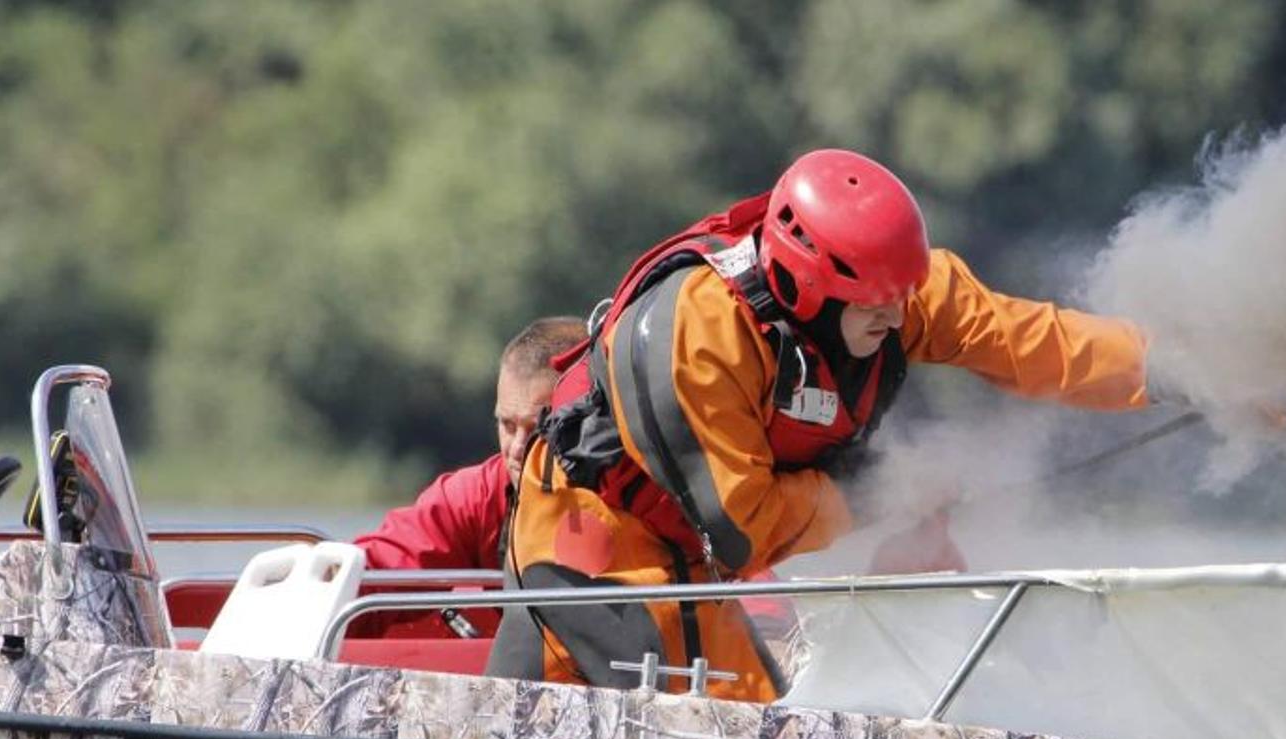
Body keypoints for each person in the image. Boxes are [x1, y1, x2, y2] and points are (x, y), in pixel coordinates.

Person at [490, 148, 1154, 701]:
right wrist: (877, 490)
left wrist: (1170, 372)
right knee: (698, 732)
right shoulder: (702, 335)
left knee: (759, 722)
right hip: (596, 531)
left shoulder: (891, 286)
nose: (899, 319)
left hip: (694, 554)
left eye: (903, 298)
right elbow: (743, 527)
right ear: (805, 284)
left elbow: (1026, 340)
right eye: (876, 306)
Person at [352, 315, 587, 571]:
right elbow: (383, 561)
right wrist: (323, 569)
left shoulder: (634, 487)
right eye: (507, 425)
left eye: (537, 429)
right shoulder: (477, 499)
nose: (517, 448)